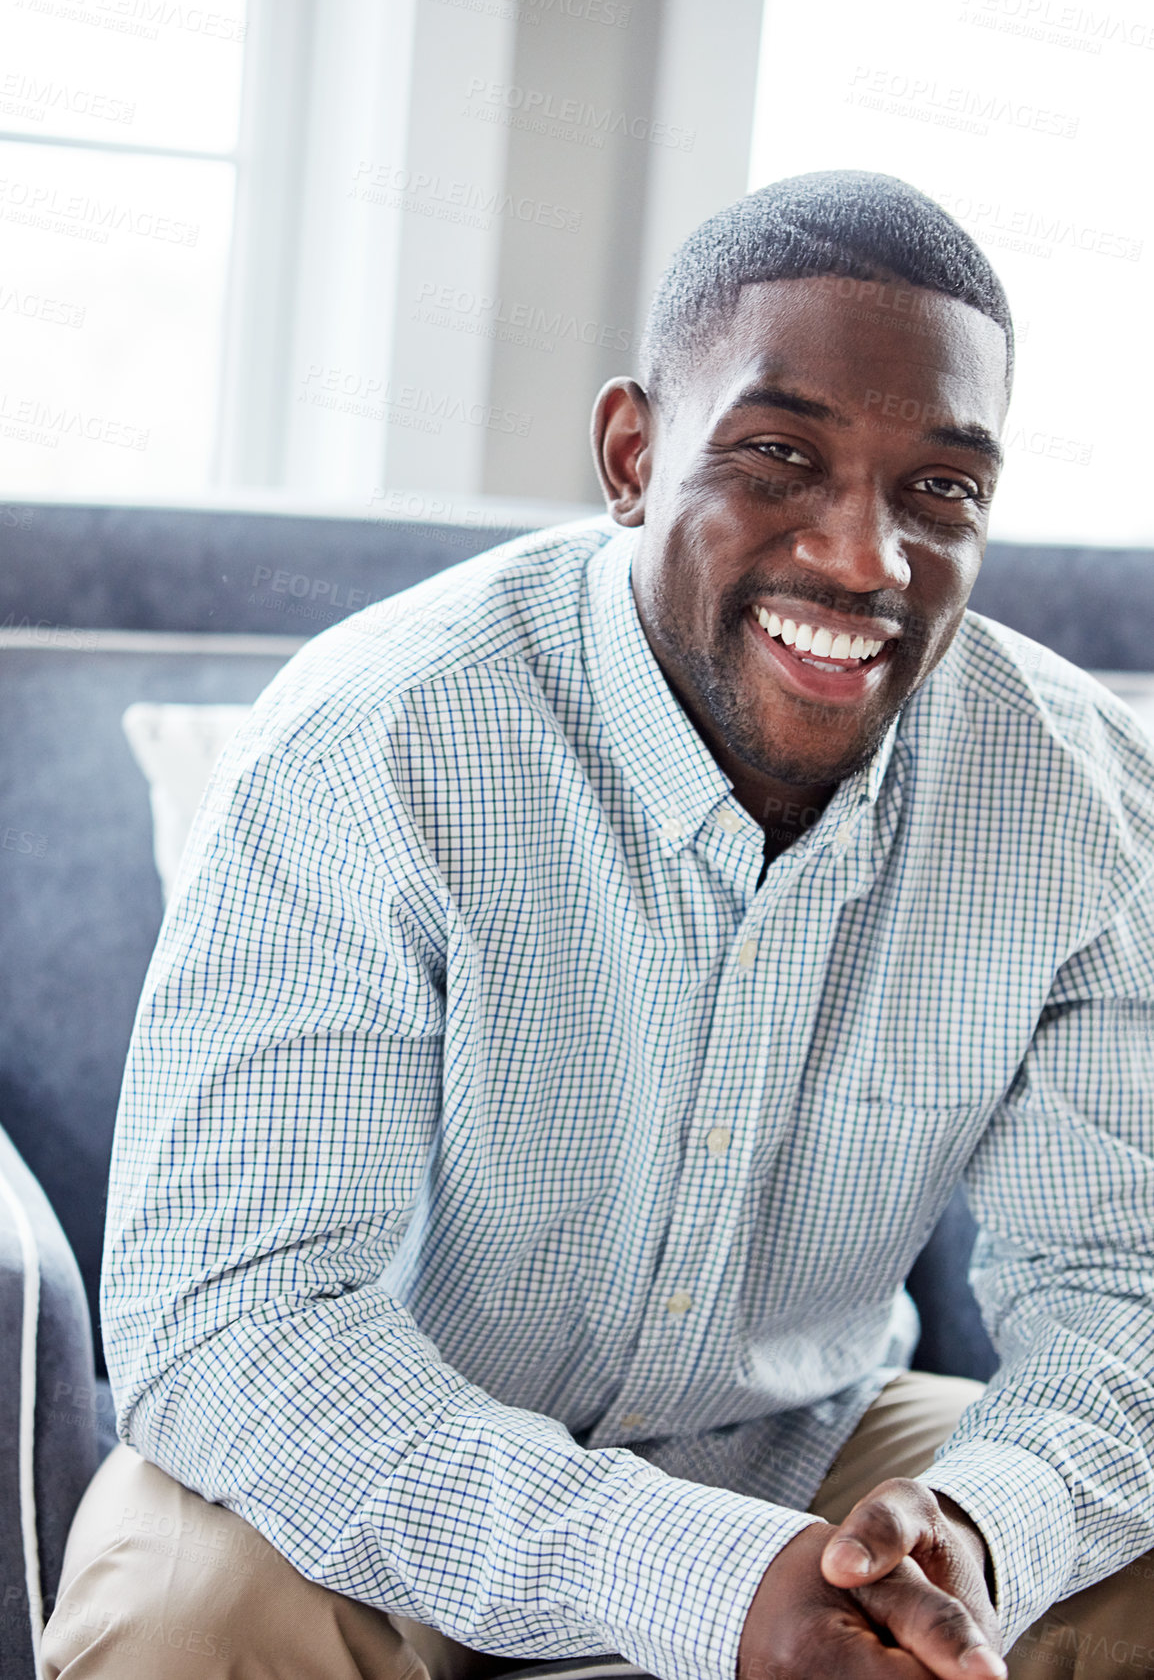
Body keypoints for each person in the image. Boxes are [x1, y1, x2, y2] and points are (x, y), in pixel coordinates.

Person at [44, 171, 1154, 1680]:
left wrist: (975, 1528)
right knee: (191, 1622)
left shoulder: (1083, 803)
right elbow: (240, 1322)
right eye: (777, 458)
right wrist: (692, 1582)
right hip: (367, 1464)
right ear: (632, 453)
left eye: (939, 491)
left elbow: (1126, 1289)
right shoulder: (375, 743)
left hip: (813, 1460)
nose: (863, 559)